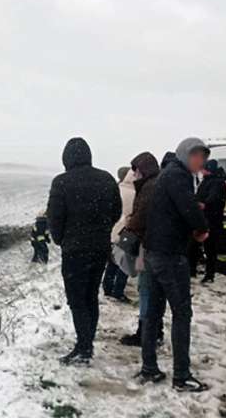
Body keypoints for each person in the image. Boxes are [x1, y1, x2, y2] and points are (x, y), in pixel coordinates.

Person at [140, 138, 210, 392]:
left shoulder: (167, 175)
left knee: (153, 313)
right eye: (196, 156)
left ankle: (149, 367)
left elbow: (172, 209)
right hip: (169, 255)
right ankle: (181, 376)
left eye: (204, 157)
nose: (200, 161)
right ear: (185, 155)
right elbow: (188, 208)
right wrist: (201, 228)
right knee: (181, 314)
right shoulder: (179, 176)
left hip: (154, 251)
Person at [47, 138, 121, 365]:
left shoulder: (62, 182)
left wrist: (61, 239)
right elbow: (116, 212)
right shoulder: (106, 178)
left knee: (77, 299)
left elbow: (55, 218)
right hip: (99, 248)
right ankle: (86, 343)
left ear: (66, 158)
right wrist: (102, 230)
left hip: (74, 250)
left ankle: (84, 347)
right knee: (90, 296)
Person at [118, 152, 161, 347]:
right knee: (152, 291)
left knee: (146, 289)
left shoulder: (149, 188)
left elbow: (141, 217)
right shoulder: (156, 184)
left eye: (136, 171)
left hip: (150, 246)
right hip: (157, 245)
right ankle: (153, 331)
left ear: (143, 170)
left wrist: (129, 224)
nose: (134, 175)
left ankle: (146, 333)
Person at [104, 167, 136, 302]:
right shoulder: (136, 193)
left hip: (112, 230)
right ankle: (118, 291)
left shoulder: (115, 189)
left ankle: (107, 287)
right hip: (126, 231)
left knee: (112, 261)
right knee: (124, 264)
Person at [196, 160, 226, 283]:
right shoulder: (207, 180)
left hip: (212, 219)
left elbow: (213, 199)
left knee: (210, 248)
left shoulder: (217, 182)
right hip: (206, 218)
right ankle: (200, 271)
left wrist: (202, 204)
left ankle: (210, 274)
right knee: (203, 246)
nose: (202, 172)